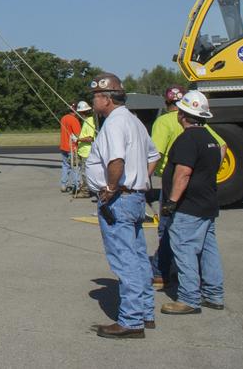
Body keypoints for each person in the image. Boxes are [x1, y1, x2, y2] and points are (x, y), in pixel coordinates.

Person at [83, 73, 160, 339]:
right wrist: (139, 181)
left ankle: (130, 321)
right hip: (135, 197)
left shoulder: (115, 123)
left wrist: (112, 188)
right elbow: (153, 155)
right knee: (139, 259)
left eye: (94, 96)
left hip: (120, 200)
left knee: (125, 261)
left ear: (106, 98)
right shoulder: (134, 121)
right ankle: (145, 313)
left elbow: (116, 161)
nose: (92, 101)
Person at [150, 86, 226, 287]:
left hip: (178, 190)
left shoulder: (167, 125)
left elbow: (156, 155)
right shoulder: (205, 130)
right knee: (207, 244)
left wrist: (146, 184)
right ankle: (213, 291)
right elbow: (222, 147)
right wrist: (208, 172)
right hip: (205, 192)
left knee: (172, 235)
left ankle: (170, 279)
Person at [59, 103, 85, 192]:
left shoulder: (63, 118)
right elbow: (78, 135)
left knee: (65, 165)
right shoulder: (74, 120)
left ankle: (63, 184)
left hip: (63, 146)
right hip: (72, 147)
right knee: (75, 166)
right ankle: (76, 185)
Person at [74, 105, 97, 198]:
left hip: (87, 152)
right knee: (84, 172)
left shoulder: (89, 121)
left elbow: (90, 138)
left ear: (82, 113)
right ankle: (85, 189)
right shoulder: (87, 121)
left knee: (85, 173)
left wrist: (78, 139)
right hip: (83, 151)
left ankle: (86, 191)